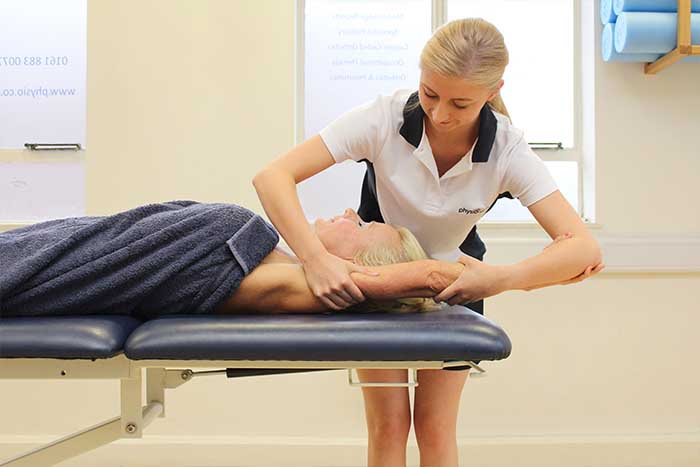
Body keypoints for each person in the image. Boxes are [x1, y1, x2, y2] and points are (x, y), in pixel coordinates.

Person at [252, 17, 604, 467]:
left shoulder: (507, 150)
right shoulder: (382, 118)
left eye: (461, 103)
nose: (440, 114)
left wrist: (502, 280)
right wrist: (316, 258)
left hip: (458, 284)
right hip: (379, 279)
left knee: (436, 430)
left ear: (493, 90)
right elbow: (273, 177)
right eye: (430, 93)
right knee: (389, 428)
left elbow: (582, 246)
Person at [0, 200, 464, 319]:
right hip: (48, 245)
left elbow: (427, 275)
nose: (349, 213)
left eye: (361, 227)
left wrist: (504, 279)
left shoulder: (291, 284)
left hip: (29, 269)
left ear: (364, 269)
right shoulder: (277, 259)